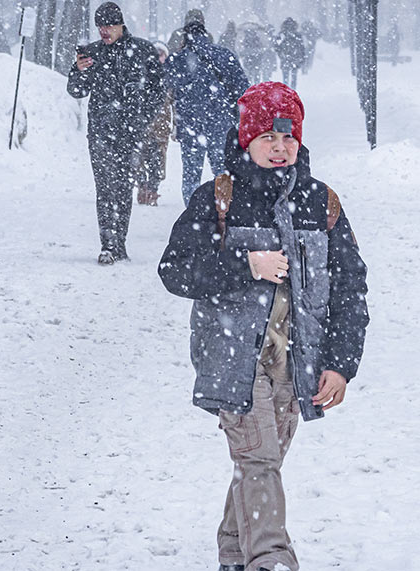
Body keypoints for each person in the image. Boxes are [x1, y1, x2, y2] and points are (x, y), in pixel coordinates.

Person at [158, 82, 369, 571]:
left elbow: (351, 291)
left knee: (260, 463)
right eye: (268, 139)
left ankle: (234, 554)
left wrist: (340, 365)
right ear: (247, 140)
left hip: (295, 367)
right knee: (259, 461)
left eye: (288, 138)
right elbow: (175, 270)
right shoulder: (218, 198)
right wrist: (245, 262)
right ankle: (272, 561)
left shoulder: (323, 203)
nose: (280, 149)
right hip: (234, 361)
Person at [66, 1, 165, 264]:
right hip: (100, 129)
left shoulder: (143, 51)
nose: (104, 31)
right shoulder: (92, 53)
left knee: (122, 188)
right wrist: (77, 70)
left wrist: (144, 118)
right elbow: (76, 91)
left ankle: (119, 242)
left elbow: (158, 90)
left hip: (131, 132)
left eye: (109, 25)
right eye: (100, 26)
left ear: (121, 24)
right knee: (104, 188)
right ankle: (107, 244)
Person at [164, 17, 250, 204]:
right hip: (221, 126)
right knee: (222, 173)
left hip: (189, 127)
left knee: (191, 176)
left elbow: (165, 87)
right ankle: (224, 214)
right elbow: (244, 90)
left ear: (185, 38)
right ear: (206, 35)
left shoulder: (177, 59)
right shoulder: (225, 55)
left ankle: (192, 215)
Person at [136, 41, 174, 207]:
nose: (160, 57)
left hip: (161, 128)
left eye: (162, 54)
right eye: (157, 53)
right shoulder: (143, 72)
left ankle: (152, 189)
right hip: (144, 124)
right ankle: (143, 187)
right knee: (141, 156)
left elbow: (174, 101)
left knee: (158, 160)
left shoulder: (170, 75)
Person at [273, 18, 306, 89]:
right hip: (295, 58)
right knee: (294, 76)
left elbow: (276, 46)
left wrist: (281, 54)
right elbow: (302, 47)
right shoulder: (297, 35)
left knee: (285, 77)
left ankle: (286, 91)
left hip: (285, 58)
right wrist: (302, 58)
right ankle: (293, 90)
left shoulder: (282, 34)